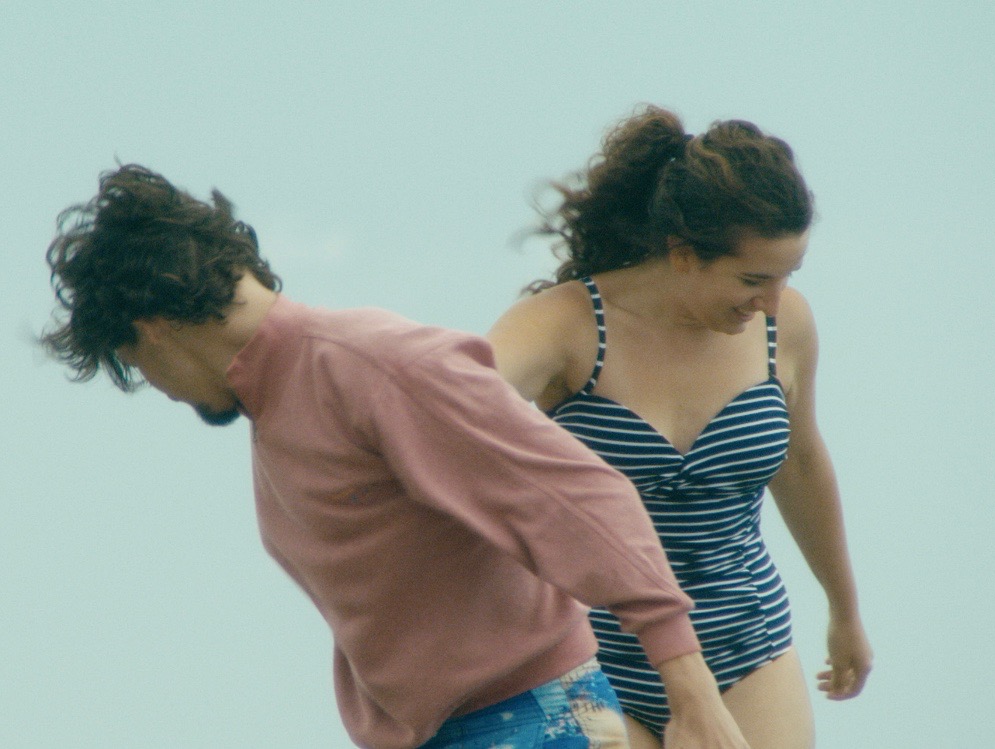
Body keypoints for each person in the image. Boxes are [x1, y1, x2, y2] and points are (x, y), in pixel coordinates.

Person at [41, 164, 753, 749]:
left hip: (536, 720)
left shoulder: (372, 365)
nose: (161, 391)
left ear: (153, 328)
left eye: (135, 363)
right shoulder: (279, 404)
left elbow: (582, 497)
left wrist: (693, 700)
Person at [486, 106, 873, 749]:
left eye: (787, 277)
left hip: (748, 647)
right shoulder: (564, 325)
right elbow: (448, 415)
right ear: (683, 254)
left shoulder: (785, 326)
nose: (771, 301)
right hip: (591, 659)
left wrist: (844, 610)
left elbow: (802, 464)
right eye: (753, 279)